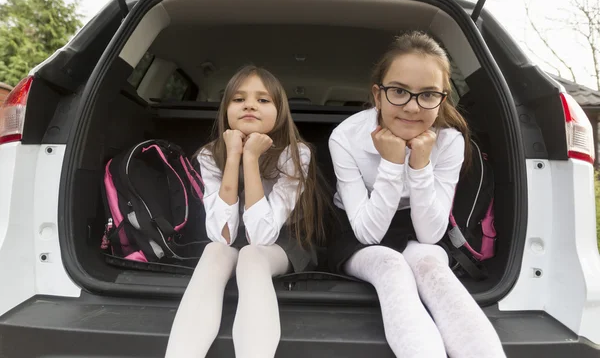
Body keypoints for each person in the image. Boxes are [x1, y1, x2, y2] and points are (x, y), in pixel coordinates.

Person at [327, 31, 506, 358]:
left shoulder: (450, 141)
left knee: (431, 266)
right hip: (356, 225)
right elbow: (368, 234)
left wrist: (421, 164)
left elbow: (430, 233)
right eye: (399, 91)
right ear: (377, 95)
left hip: (417, 224)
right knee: (391, 267)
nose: (412, 107)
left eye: (427, 95)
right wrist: (393, 163)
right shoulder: (346, 137)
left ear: (442, 98)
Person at [165, 65, 327, 358]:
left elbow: (261, 236)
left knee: (251, 256)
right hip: (233, 238)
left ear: (280, 112)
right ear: (226, 109)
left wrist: (250, 159)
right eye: (239, 99)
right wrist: (233, 157)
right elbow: (222, 235)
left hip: (283, 243)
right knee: (213, 251)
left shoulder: (296, 153)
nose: (250, 104)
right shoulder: (209, 154)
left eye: (263, 100)